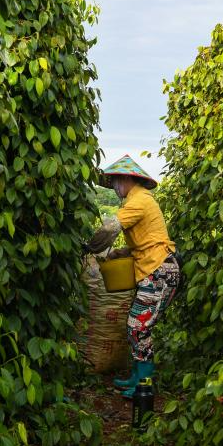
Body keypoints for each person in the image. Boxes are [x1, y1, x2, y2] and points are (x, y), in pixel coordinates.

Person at [92, 155, 181, 398]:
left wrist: (91, 246)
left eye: (115, 182)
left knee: (138, 326)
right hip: (153, 269)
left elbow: (110, 228)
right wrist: (120, 253)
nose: (114, 187)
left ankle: (144, 384)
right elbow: (145, 242)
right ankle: (137, 376)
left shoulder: (139, 199)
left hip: (159, 270)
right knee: (137, 325)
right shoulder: (136, 200)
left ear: (126, 179)